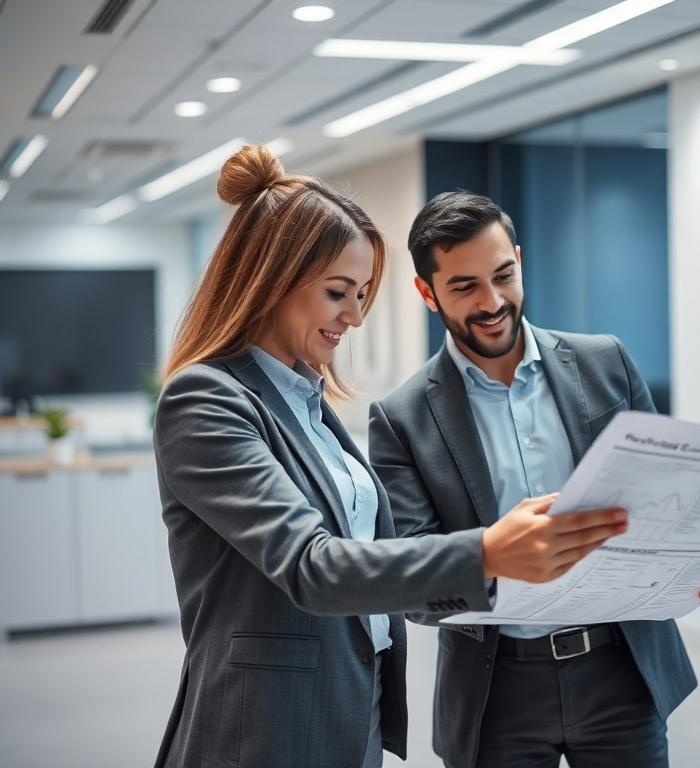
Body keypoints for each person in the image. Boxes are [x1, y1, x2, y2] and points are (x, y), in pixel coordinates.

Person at [152, 148, 628, 768]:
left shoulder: (309, 403)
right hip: (266, 722)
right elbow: (311, 566)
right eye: (337, 293)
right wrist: (487, 551)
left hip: (352, 700)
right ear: (271, 281)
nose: (353, 316)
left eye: (362, 294)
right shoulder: (205, 399)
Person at [368, 191, 700, 768]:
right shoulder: (402, 416)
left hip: (622, 669)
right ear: (427, 292)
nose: (492, 301)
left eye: (503, 275)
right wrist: (494, 555)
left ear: (518, 259)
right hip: (495, 689)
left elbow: (673, 509)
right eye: (464, 287)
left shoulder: (605, 362)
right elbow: (413, 579)